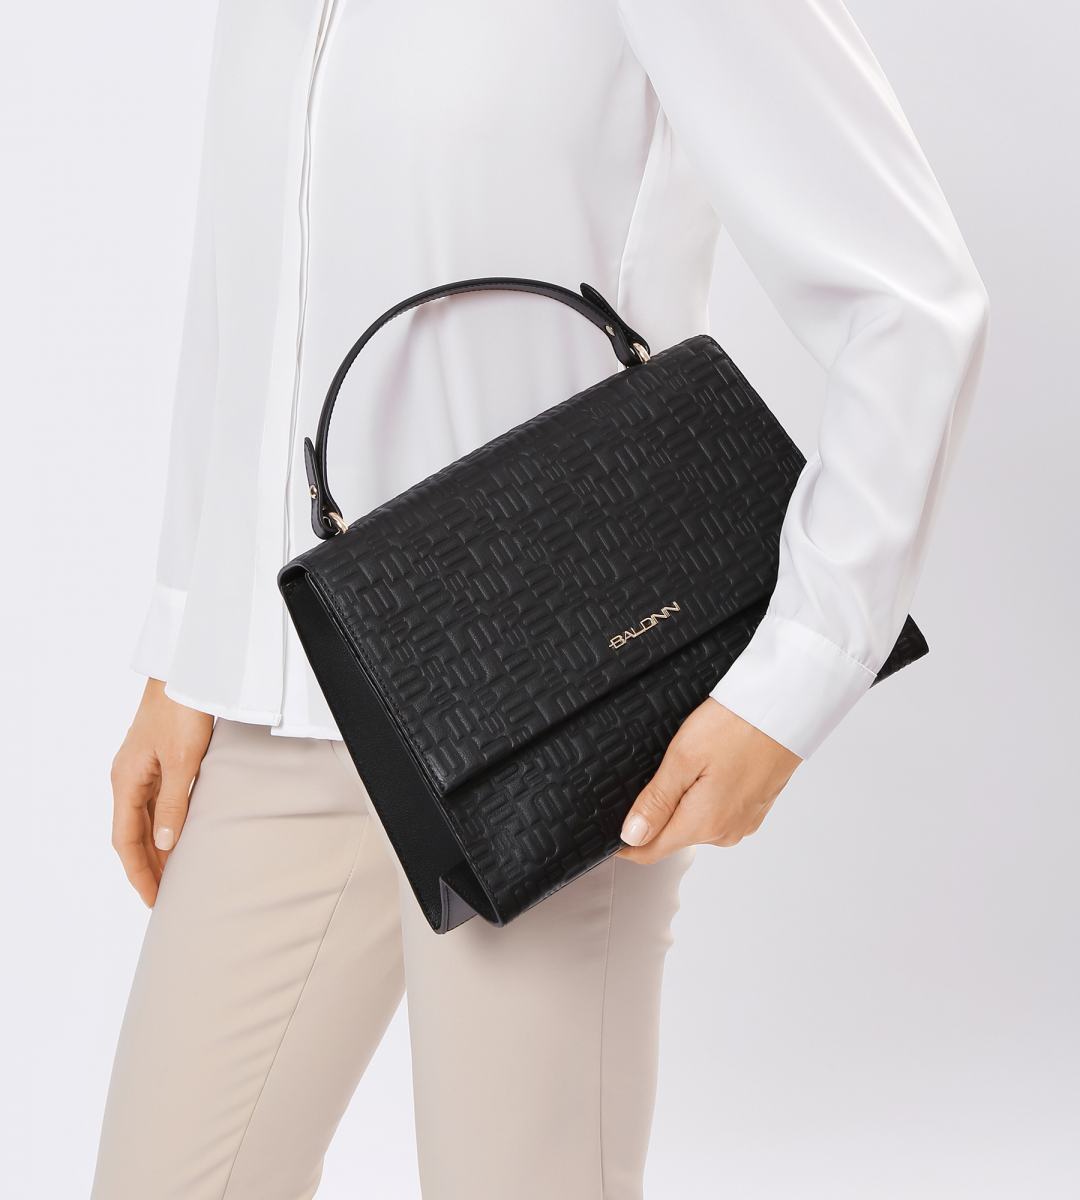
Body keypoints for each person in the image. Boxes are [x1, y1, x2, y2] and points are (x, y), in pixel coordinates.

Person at [91, 3, 989, 1197]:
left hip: (555, 710)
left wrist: (800, 669)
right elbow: (243, 286)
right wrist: (187, 638)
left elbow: (910, 300)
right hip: (293, 691)